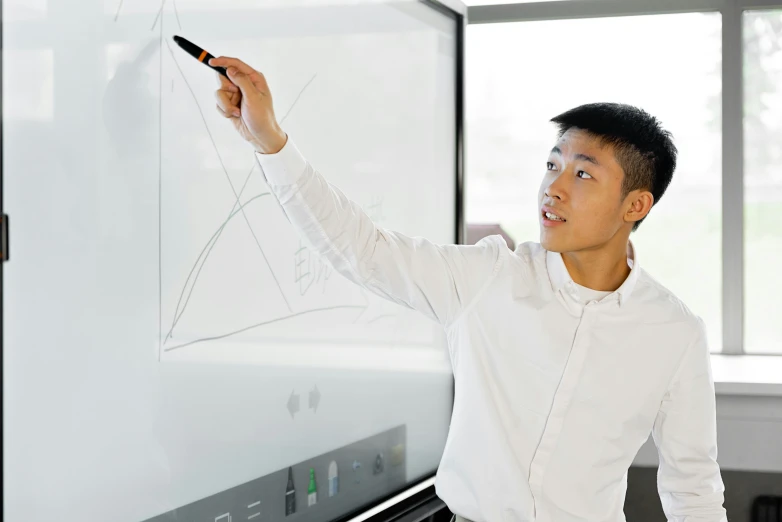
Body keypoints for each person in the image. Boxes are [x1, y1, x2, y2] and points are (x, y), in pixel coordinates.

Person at [209, 56, 728, 522]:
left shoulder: (674, 333)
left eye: (583, 174)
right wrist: (268, 140)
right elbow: (361, 248)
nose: (554, 187)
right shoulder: (489, 279)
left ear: (635, 206)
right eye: (552, 165)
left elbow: (694, 490)